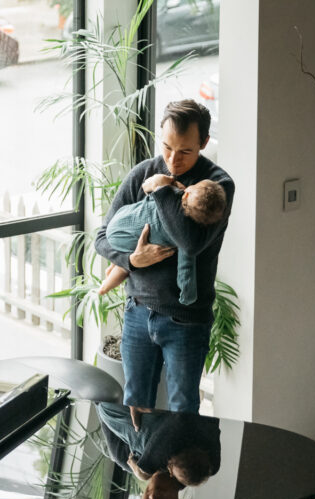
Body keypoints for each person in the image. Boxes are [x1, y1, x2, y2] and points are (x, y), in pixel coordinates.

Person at [95, 99, 235, 414]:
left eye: (185, 151)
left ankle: (179, 465)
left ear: (204, 143)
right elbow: (101, 238)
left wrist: (160, 192)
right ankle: (141, 464)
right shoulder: (143, 172)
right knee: (136, 403)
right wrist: (132, 261)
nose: (172, 161)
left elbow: (191, 241)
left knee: (183, 409)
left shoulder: (217, 186)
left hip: (186, 320)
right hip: (137, 313)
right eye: (166, 147)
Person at [97, 179, 227, 306]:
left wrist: (172, 185)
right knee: (132, 259)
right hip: (122, 238)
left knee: (135, 250)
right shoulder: (184, 237)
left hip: (121, 218)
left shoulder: (170, 197)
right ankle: (107, 283)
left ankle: (114, 267)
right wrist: (188, 295)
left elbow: (153, 196)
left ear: (186, 194)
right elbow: (186, 268)